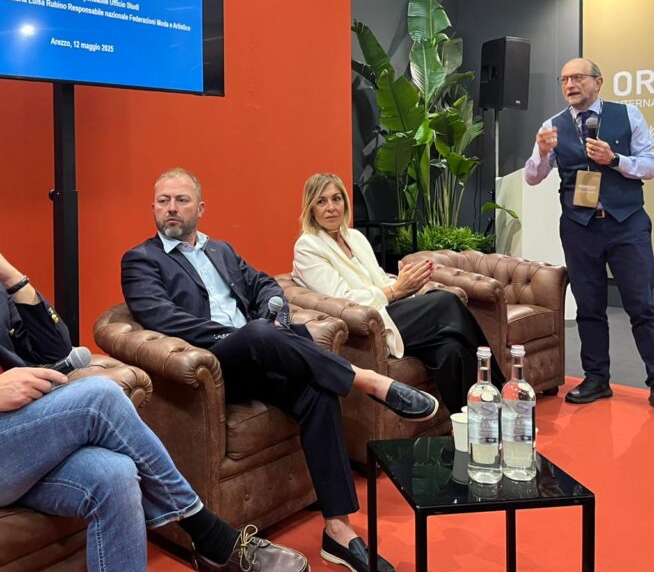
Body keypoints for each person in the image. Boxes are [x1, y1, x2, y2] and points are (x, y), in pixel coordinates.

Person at [0, 169, 308, 572]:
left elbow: (55, 347)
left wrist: (13, 279)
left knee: (116, 473)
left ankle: (209, 541)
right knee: (98, 394)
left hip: (19, 434)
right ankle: (211, 535)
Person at [122, 168, 440, 572]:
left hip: (262, 354)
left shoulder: (221, 250)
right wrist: (243, 335)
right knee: (257, 333)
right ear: (152, 207)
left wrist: (275, 319)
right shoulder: (141, 260)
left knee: (317, 390)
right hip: (214, 367)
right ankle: (367, 380)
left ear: (200, 208)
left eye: (181, 200)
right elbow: (162, 318)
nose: (171, 208)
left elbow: (264, 285)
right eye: (163, 201)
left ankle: (338, 530)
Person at [525, 58, 654, 418]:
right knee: (588, 306)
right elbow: (533, 177)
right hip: (579, 226)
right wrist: (543, 152)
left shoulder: (628, 115)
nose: (570, 84)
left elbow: (650, 166)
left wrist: (615, 160)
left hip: (627, 223)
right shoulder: (552, 126)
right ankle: (597, 378)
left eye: (578, 77)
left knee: (642, 305)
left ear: (598, 82)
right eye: (564, 79)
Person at [290, 173, 503, 415]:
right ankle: (502, 392)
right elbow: (343, 300)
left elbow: (379, 278)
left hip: (389, 308)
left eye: (336, 199)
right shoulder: (308, 246)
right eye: (321, 201)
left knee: (451, 350)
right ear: (311, 208)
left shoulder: (355, 237)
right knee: (448, 301)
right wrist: (396, 289)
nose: (331, 207)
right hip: (369, 323)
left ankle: (472, 421)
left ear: (345, 203)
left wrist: (406, 284)